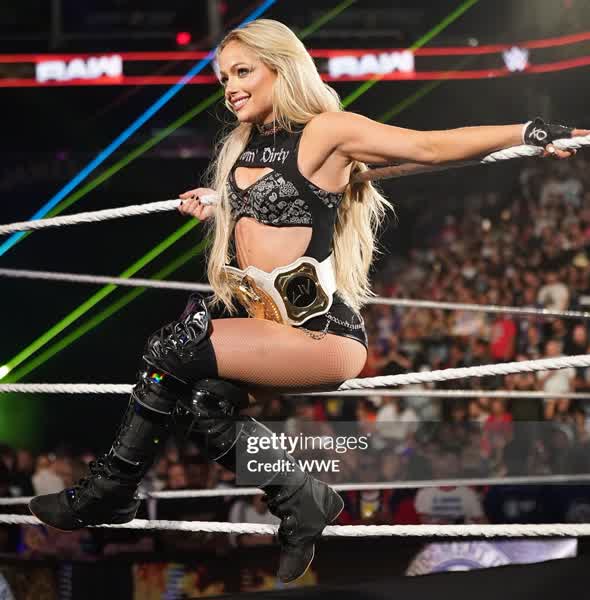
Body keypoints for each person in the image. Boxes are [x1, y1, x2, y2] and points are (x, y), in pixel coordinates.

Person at [28, 19, 584, 582]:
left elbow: (426, 147)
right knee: (204, 405)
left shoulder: (325, 132)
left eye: (243, 72)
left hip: (321, 335)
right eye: (224, 78)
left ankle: (113, 487)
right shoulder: (246, 144)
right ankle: (300, 497)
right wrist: (222, 204)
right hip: (272, 329)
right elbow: (271, 211)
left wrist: (528, 131)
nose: (231, 87)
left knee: (175, 346)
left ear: (281, 68)